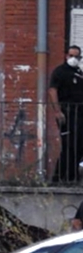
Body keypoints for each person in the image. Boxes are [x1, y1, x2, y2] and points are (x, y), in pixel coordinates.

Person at [50, 45, 83, 183]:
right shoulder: (60, 72)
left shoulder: (79, 72)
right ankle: (58, 177)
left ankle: (72, 175)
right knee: (69, 145)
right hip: (67, 113)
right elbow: (52, 91)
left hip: (79, 114)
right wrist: (57, 111)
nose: (74, 59)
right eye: (71, 56)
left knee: (79, 146)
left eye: (77, 56)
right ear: (66, 56)